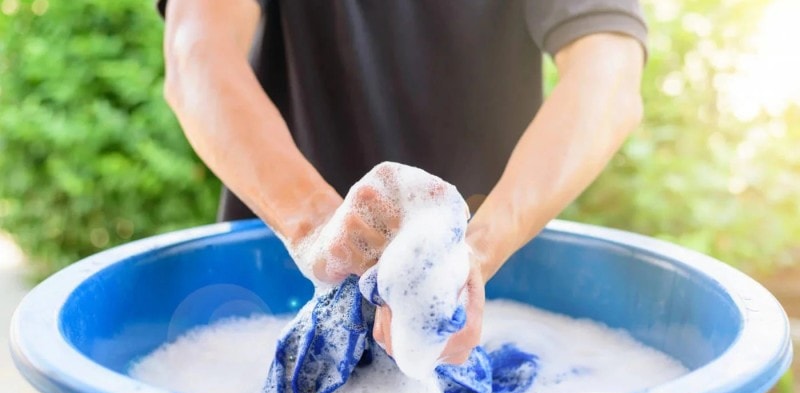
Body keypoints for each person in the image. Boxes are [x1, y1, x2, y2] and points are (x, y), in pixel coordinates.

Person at [158, 0, 646, 365]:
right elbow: (198, 53)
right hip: (275, 299)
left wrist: (473, 251)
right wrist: (316, 226)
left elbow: (607, 74)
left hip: (478, 315)